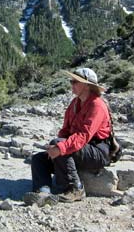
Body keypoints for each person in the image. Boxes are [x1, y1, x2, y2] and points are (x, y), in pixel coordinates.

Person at [23, 67, 112, 206]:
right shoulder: (75, 103)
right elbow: (65, 131)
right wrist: (55, 148)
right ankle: (43, 191)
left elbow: (84, 135)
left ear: (87, 85)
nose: (72, 84)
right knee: (39, 159)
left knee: (60, 145)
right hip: (80, 149)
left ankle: (76, 188)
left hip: (97, 152)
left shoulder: (97, 105)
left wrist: (60, 147)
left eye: (75, 81)